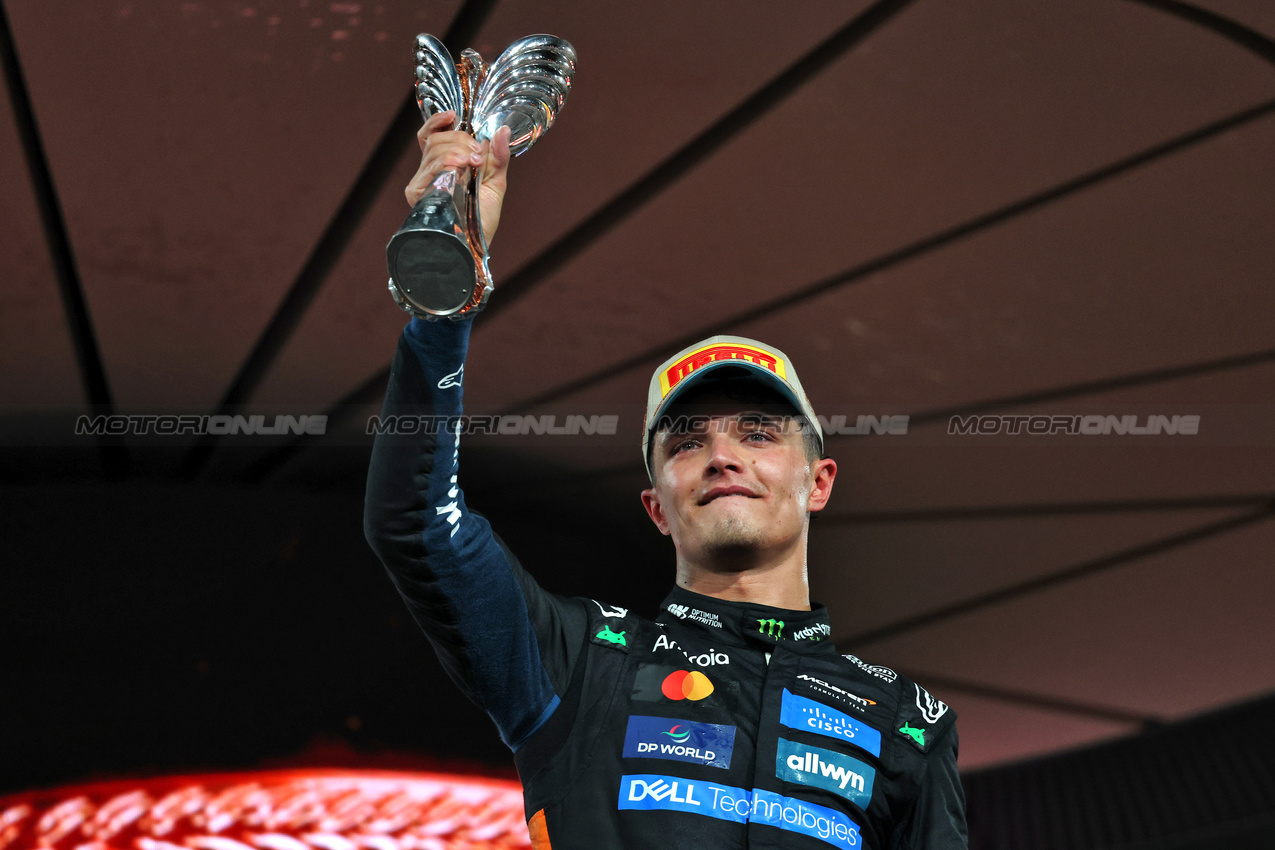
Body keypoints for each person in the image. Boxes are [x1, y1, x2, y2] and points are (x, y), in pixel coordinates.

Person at [364, 110, 968, 849]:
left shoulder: (905, 722)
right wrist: (442, 302)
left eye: (757, 432)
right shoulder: (578, 661)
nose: (721, 455)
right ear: (655, 506)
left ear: (819, 482)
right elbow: (417, 526)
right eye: (685, 441)